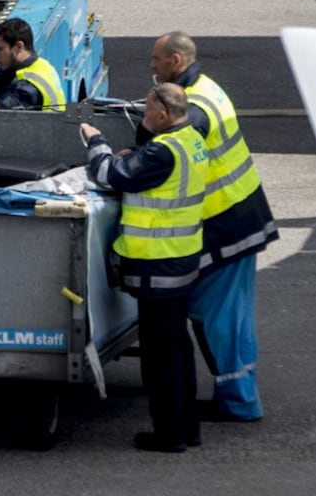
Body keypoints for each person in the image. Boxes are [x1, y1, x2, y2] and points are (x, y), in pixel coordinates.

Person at [149, 31, 278, 422]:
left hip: (229, 224)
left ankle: (240, 402)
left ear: (175, 60)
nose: (151, 66)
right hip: (236, 216)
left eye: (156, 59)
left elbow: (173, 153)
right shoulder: (205, 88)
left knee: (221, 316)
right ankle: (236, 395)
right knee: (219, 313)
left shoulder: (196, 109)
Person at [81, 83, 207, 453]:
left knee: (160, 356)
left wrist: (96, 141)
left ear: (164, 115)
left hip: (158, 265)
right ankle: (188, 428)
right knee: (179, 348)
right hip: (181, 260)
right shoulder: (190, 140)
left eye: (147, 111)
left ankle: (168, 435)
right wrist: (136, 153)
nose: (142, 117)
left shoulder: (163, 152)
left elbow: (111, 175)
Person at [0, 17, 66, 111]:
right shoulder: (42, 65)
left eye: (0, 49)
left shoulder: (26, 89)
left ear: (19, 46)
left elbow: (0, 114)